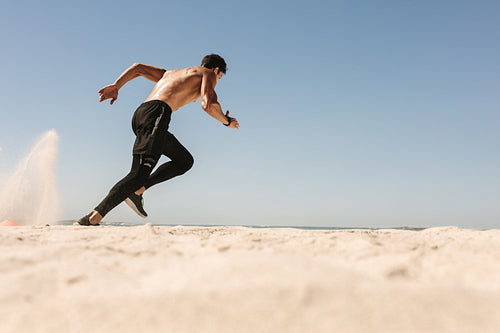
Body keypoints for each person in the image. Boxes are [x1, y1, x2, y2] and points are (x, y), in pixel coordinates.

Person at [77, 54, 239, 226]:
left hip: (143, 114)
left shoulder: (171, 73)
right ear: (216, 69)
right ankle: (94, 216)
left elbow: (138, 68)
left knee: (184, 161)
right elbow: (208, 104)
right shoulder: (208, 74)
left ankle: (138, 191)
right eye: (219, 76)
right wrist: (227, 121)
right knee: (138, 174)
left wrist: (117, 86)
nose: (217, 80)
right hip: (157, 115)